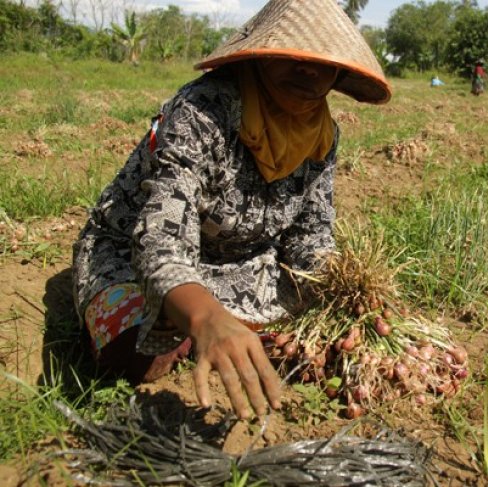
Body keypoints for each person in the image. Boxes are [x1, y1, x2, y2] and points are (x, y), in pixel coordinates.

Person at [71, 0, 391, 420]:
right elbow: (159, 237)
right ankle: (205, 330)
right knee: (136, 356)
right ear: (261, 54)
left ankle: (222, 334)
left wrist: (345, 286)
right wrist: (204, 317)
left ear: (338, 73)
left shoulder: (322, 135)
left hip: (243, 264)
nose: (308, 70)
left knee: (326, 329)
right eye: (293, 55)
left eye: (322, 62)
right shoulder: (203, 111)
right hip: (133, 254)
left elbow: (310, 238)